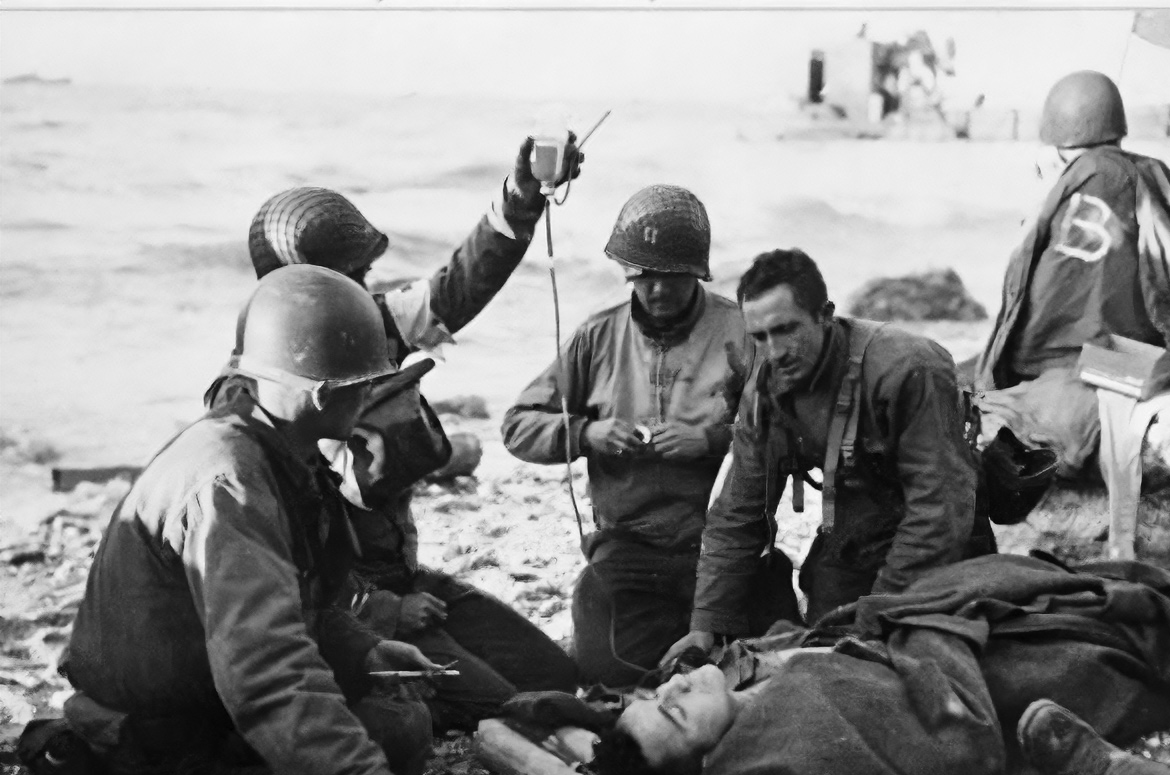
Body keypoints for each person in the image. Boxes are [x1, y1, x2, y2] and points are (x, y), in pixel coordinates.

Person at [30, 266, 473, 775]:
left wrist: (366, 651)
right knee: (395, 740)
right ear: (320, 394)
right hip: (154, 742)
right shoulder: (231, 482)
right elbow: (263, 663)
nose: (369, 396)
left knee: (402, 721)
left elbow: (298, 609)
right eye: (363, 385)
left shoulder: (274, 449)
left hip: (199, 706)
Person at [214, 138, 585, 727]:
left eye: (363, 276)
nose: (364, 290)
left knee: (553, 678)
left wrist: (522, 200)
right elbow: (277, 564)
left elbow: (458, 286)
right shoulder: (249, 402)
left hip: (404, 578)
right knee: (502, 710)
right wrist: (379, 609)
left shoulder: (373, 324)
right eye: (351, 277)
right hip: (345, 608)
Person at [566, 549, 1170, 775]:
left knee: (1087, 584)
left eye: (657, 693)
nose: (676, 687)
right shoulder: (786, 746)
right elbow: (959, 748)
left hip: (948, 641)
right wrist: (927, 632)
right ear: (707, 760)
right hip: (999, 680)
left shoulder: (751, 685)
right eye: (676, 714)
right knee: (1125, 627)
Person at [501, 185, 796, 689]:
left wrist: (712, 440)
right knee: (615, 678)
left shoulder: (742, 332)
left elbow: (790, 432)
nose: (657, 289)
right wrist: (586, 433)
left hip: (731, 544)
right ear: (627, 272)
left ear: (697, 273)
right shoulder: (596, 338)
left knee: (782, 663)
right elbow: (517, 425)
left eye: (672, 277)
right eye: (645, 275)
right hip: (630, 550)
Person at [662, 247, 994, 666]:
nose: (774, 350)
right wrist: (705, 625)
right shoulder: (765, 393)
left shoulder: (910, 368)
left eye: (786, 329)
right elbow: (737, 514)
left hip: (945, 538)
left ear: (825, 314)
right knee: (823, 649)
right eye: (760, 337)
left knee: (914, 657)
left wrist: (877, 615)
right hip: (855, 535)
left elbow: (940, 509)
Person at [972, 71, 1170, 475]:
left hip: (1078, 365)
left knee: (972, 386)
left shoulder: (1085, 179)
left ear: (1056, 140)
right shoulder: (1152, 173)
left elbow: (1034, 322)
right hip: (1144, 359)